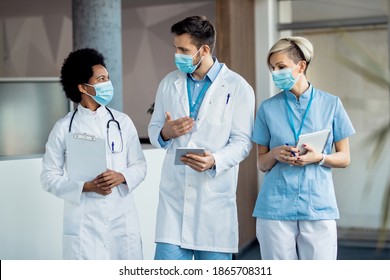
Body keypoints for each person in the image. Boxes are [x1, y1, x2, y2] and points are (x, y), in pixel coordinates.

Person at [148, 16, 255, 260]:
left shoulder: (238, 87)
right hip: (173, 204)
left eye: (183, 49)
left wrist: (214, 160)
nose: (177, 54)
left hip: (213, 203)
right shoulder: (169, 83)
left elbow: (242, 142)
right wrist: (166, 133)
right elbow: (155, 129)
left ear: (204, 49)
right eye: (175, 48)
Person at [252, 36, 355, 260]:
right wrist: (274, 154)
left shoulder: (331, 104)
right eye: (272, 68)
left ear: (301, 66)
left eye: (281, 67)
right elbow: (261, 163)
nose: (275, 73)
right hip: (275, 207)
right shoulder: (267, 109)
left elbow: (345, 157)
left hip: (317, 204)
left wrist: (319, 157)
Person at [41, 48, 147, 260]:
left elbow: (140, 165)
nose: (108, 83)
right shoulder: (63, 128)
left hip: (121, 217)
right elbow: (48, 177)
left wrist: (121, 176)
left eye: (108, 78)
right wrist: (85, 187)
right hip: (84, 222)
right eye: (101, 79)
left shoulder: (122, 122)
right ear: (82, 87)